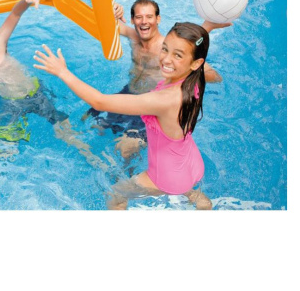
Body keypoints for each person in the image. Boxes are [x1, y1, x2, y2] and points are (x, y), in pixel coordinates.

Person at [33, 22, 222, 210]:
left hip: (167, 177)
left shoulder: (164, 100)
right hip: (191, 163)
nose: (166, 59)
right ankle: (200, 200)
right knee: (184, 185)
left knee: (116, 194)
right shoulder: (193, 79)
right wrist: (207, 26)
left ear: (196, 63)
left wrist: (62, 72)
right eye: (165, 49)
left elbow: (99, 102)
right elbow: (193, 50)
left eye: (177, 55)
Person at [0, 0, 109, 170]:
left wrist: (27, 1)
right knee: (6, 144)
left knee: (65, 132)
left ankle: (92, 158)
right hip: (10, 104)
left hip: (36, 92)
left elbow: (15, 15)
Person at [85, 0, 227, 160]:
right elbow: (102, 24)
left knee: (124, 151)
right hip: (128, 93)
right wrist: (111, 11)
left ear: (158, 19)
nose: (144, 21)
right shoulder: (134, 37)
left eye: (149, 16)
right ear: (132, 20)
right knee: (89, 126)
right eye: (139, 17)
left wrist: (189, 69)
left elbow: (214, 76)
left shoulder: (166, 49)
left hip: (150, 105)